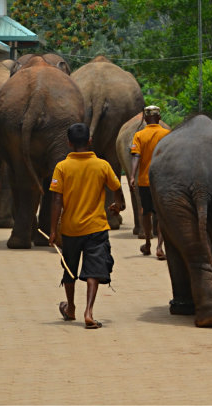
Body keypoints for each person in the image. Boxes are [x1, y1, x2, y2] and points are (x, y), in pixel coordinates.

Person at [49, 122, 124, 329]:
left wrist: (53, 230)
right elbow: (117, 188)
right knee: (94, 270)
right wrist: (119, 205)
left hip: (70, 229)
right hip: (96, 228)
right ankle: (89, 312)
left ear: (69, 143)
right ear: (90, 141)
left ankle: (71, 307)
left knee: (70, 270)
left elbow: (56, 200)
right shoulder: (102, 165)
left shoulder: (62, 167)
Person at [129, 105, 170, 260]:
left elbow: (136, 156)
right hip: (163, 182)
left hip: (145, 181)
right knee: (161, 214)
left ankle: (147, 243)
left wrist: (132, 176)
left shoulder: (139, 135)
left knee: (145, 212)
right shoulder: (167, 134)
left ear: (145, 119)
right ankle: (160, 247)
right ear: (159, 118)